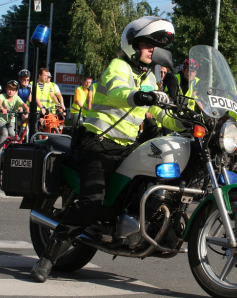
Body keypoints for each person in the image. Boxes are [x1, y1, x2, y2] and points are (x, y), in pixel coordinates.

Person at [30, 16, 184, 283]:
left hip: (126, 148)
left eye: (156, 47)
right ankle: (48, 257)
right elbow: (117, 91)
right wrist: (140, 96)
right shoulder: (118, 66)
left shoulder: (147, 75)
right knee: (92, 201)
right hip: (98, 144)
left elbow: (158, 112)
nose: (153, 51)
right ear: (133, 45)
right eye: (148, 45)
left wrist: (187, 119)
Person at [0, 80, 28, 155]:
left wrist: (28, 110)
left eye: (13, 90)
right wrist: (2, 108)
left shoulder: (16, 98)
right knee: (5, 133)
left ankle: (10, 151)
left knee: (12, 134)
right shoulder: (2, 96)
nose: (10, 92)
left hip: (11, 120)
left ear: (15, 91)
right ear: (6, 89)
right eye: (9, 89)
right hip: (1, 119)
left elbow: (23, 104)